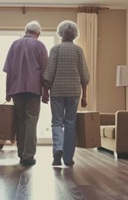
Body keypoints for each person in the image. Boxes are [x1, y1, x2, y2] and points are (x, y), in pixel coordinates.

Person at [42, 20, 90, 166]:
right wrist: (85, 96)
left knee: (57, 122)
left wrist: (45, 92)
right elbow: (84, 75)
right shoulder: (78, 50)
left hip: (57, 91)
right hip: (74, 91)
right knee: (70, 123)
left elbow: (48, 74)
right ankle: (68, 159)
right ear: (75, 34)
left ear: (60, 34)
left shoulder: (55, 49)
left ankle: (58, 149)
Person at [3, 20, 48, 166]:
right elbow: (45, 72)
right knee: (31, 121)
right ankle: (28, 156)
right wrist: (46, 92)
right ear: (38, 33)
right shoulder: (40, 46)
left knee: (20, 121)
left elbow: (8, 71)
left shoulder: (14, 45)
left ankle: (21, 153)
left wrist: (7, 92)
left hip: (16, 89)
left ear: (25, 31)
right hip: (34, 90)